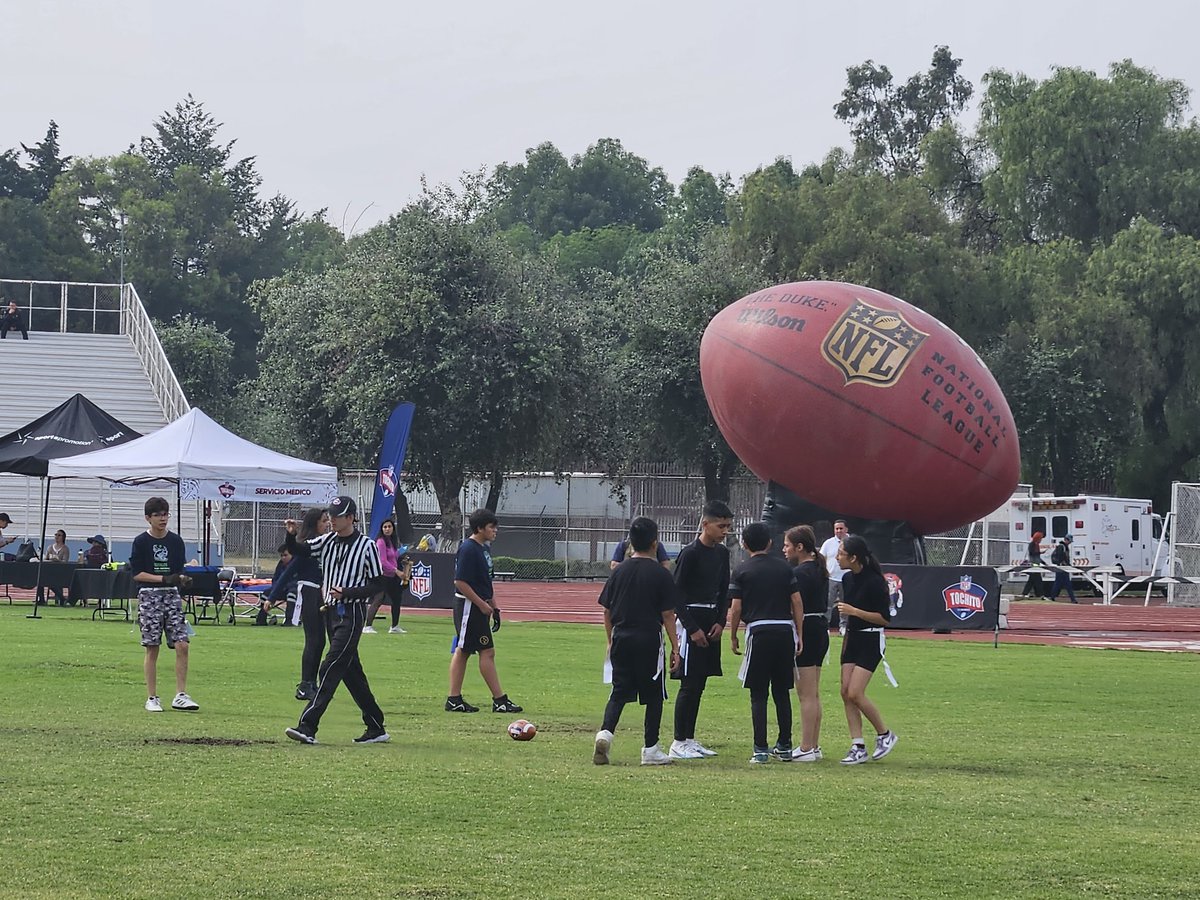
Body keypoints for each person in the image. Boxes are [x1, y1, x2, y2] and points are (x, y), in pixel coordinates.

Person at [285, 495, 389, 745]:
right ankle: (376, 725)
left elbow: (377, 584)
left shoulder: (366, 546)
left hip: (351, 614)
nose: (331, 520)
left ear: (351, 517)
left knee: (329, 667)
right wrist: (291, 534)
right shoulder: (328, 541)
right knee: (351, 673)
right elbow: (301, 550)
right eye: (330, 515)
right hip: (330, 612)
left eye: (337, 515)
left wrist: (348, 592)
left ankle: (308, 725)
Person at [593, 516, 682, 766]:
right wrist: (675, 647)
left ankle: (605, 733)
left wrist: (610, 640)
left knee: (619, 690)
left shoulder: (618, 571)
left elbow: (606, 611)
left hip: (621, 635)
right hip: (648, 638)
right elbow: (667, 614)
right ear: (655, 543)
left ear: (630, 542)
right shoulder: (661, 574)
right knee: (654, 695)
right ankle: (651, 749)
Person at [728, 521, 804, 764]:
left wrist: (732, 634)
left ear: (744, 543)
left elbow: (736, 607)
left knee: (758, 693)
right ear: (770, 543)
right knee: (782, 691)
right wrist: (799, 634)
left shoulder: (741, 570)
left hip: (759, 631)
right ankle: (785, 745)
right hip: (784, 631)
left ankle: (760, 748)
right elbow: (797, 602)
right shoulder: (784, 569)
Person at [668, 499, 732, 760]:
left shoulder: (722, 553)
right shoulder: (690, 553)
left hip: (711, 619)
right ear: (705, 524)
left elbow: (724, 590)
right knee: (689, 683)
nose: (725, 531)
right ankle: (678, 741)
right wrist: (691, 628)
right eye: (721, 526)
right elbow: (676, 594)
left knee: (700, 683)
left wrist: (720, 621)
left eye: (728, 526)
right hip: (692, 619)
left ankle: (690, 739)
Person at [446, 508, 523, 714]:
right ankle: (496, 700)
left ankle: (458, 699)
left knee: (470, 650)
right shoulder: (469, 549)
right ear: (480, 528)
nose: (495, 530)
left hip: (478, 606)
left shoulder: (483, 549)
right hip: (468, 606)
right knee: (478, 651)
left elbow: (485, 581)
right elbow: (460, 582)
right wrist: (481, 604)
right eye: (491, 527)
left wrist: (494, 605)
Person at [132, 496, 200, 713]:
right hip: (150, 595)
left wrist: (182, 579)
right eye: (158, 515)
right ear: (148, 518)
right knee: (152, 647)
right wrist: (163, 579)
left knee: (182, 644)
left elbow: (178, 569)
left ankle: (181, 694)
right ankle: (152, 697)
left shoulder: (175, 541)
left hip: (171, 596)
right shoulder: (141, 542)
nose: (163, 519)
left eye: (165, 514)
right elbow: (138, 574)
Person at [835, 534, 898, 765]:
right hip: (852, 639)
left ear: (854, 557)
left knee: (855, 693)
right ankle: (857, 745)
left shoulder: (875, 582)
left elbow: (884, 619)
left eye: (841, 553)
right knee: (845, 692)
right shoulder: (847, 579)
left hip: (871, 640)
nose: (837, 557)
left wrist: (855, 611)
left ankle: (885, 734)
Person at [783, 524, 829, 762]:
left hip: (807, 630)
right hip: (820, 630)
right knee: (814, 693)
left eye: (788, 545)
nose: (784, 549)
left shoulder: (801, 573)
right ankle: (814, 745)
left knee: (806, 695)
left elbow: (795, 605)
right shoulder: (820, 569)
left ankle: (806, 747)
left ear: (800, 547)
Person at [288, 507, 331, 701]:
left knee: (320, 640)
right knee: (313, 639)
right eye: (324, 521)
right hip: (308, 591)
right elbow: (291, 568)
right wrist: (272, 597)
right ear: (315, 523)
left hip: (319, 592)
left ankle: (312, 683)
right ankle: (305, 684)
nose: (327, 523)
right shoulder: (307, 546)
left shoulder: (322, 543)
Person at [363, 519, 412, 634]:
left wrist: (402, 562)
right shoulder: (380, 542)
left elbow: (393, 558)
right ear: (381, 529)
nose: (387, 529)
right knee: (378, 599)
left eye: (389, 526)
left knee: (396, 599)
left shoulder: (392, 542)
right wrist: (397, 571)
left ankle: (394, 626)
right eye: (385, 527)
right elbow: (383, 561)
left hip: (392, 576)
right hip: (382, 575)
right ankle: (367, 626)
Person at [820, 519, 849, 628]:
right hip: (831, 578)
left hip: (846, 579)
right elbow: (822, 558)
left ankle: (843, 626)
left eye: (841, 528)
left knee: (844, 604)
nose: (839, 531)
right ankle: (825, 625)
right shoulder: (828, 543)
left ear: (846, 529)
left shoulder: (851, 541)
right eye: (836, 529)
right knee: (828, 603)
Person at [255, 545, 294, 626]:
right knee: (266, 593)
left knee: (292, 594)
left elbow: (296, 581)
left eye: (285, 555)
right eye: (281, 555)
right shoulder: (280, 564)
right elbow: (276, 578)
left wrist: (285, 586)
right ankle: (261, 620)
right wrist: (276, 588)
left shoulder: (296, 564)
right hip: (280, 589)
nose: (283, 557)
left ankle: (289, 620)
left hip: (293, 589)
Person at [37, 529, 71, 605]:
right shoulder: (50, 547)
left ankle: (61, 598)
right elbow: (45, 560)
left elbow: (65, 561)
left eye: (59, 535)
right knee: (40, 578)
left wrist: (58, 560)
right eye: (56, 535)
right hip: (49, 571)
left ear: (63, 537)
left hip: (60, 572)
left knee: (51, 581)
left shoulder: (65, 549)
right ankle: (41, 599)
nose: (57, 537)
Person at [1048, 536, 1078, 603]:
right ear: (1066, 540)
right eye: (1069, 541)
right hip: (1062, 568)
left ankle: (1052, 597)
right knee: (1067, 584)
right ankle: (1072, 599)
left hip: (1062, 568)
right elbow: (1061, 557)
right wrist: (1066, 564)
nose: (1070, 543)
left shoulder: (1064, 547)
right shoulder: (1062, 547)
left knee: (1058, 583)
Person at [1021, 531, 1047, 598]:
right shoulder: (1032, 544)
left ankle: (1025, 593)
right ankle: (1041, 594)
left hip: (1036, 565)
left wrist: (1044, 563)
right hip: (1033, 565)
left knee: (1032, 581)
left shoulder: (1036, 545)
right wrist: (1040, 552)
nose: (1041, 540)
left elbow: (1038, 557)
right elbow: (1032, 553)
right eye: (1040, 538)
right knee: (1038, 580)